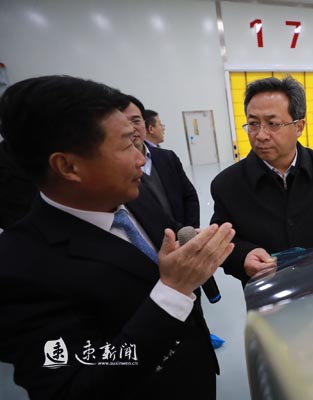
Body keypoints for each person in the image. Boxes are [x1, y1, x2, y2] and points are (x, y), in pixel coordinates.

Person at [0, 75, 235, 399]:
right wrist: (173, 292)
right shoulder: (19, 269)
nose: (142, 158)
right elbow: (74, 388)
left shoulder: (132, 196)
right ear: (68, 166)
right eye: (126, 146)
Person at [210, 76, 313, 286]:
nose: (260, 135)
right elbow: (222, 240)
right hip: (266, 292)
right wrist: (243, 257)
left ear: (299, 126)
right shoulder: (227, 184)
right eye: (253, 124)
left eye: (272, 124)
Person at [123, 97, 200, 228]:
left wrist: (189, 232)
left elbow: (189, 196)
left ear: (145, 124)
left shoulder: (167, 157)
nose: (132, 128)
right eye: (124, 122)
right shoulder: (117, 169)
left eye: (136, 121)